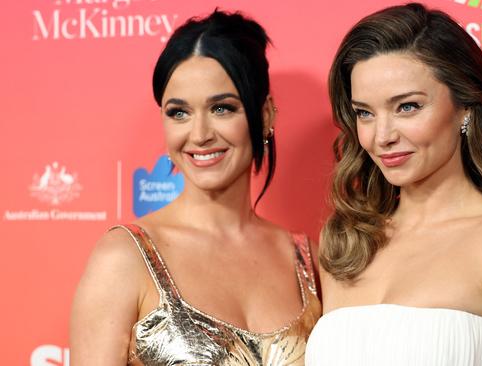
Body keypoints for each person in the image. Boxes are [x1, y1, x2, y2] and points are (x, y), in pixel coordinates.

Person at [306, 3, 482, 365]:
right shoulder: (348, 242)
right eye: (365, 113)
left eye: (407, 107)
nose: (382, 136)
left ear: (466, 107)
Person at [70, 9, 321, 365]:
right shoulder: (123, 259)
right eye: (179, 113)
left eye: (222, 108)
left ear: (265, 114)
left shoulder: (308, 263)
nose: (200, 135)